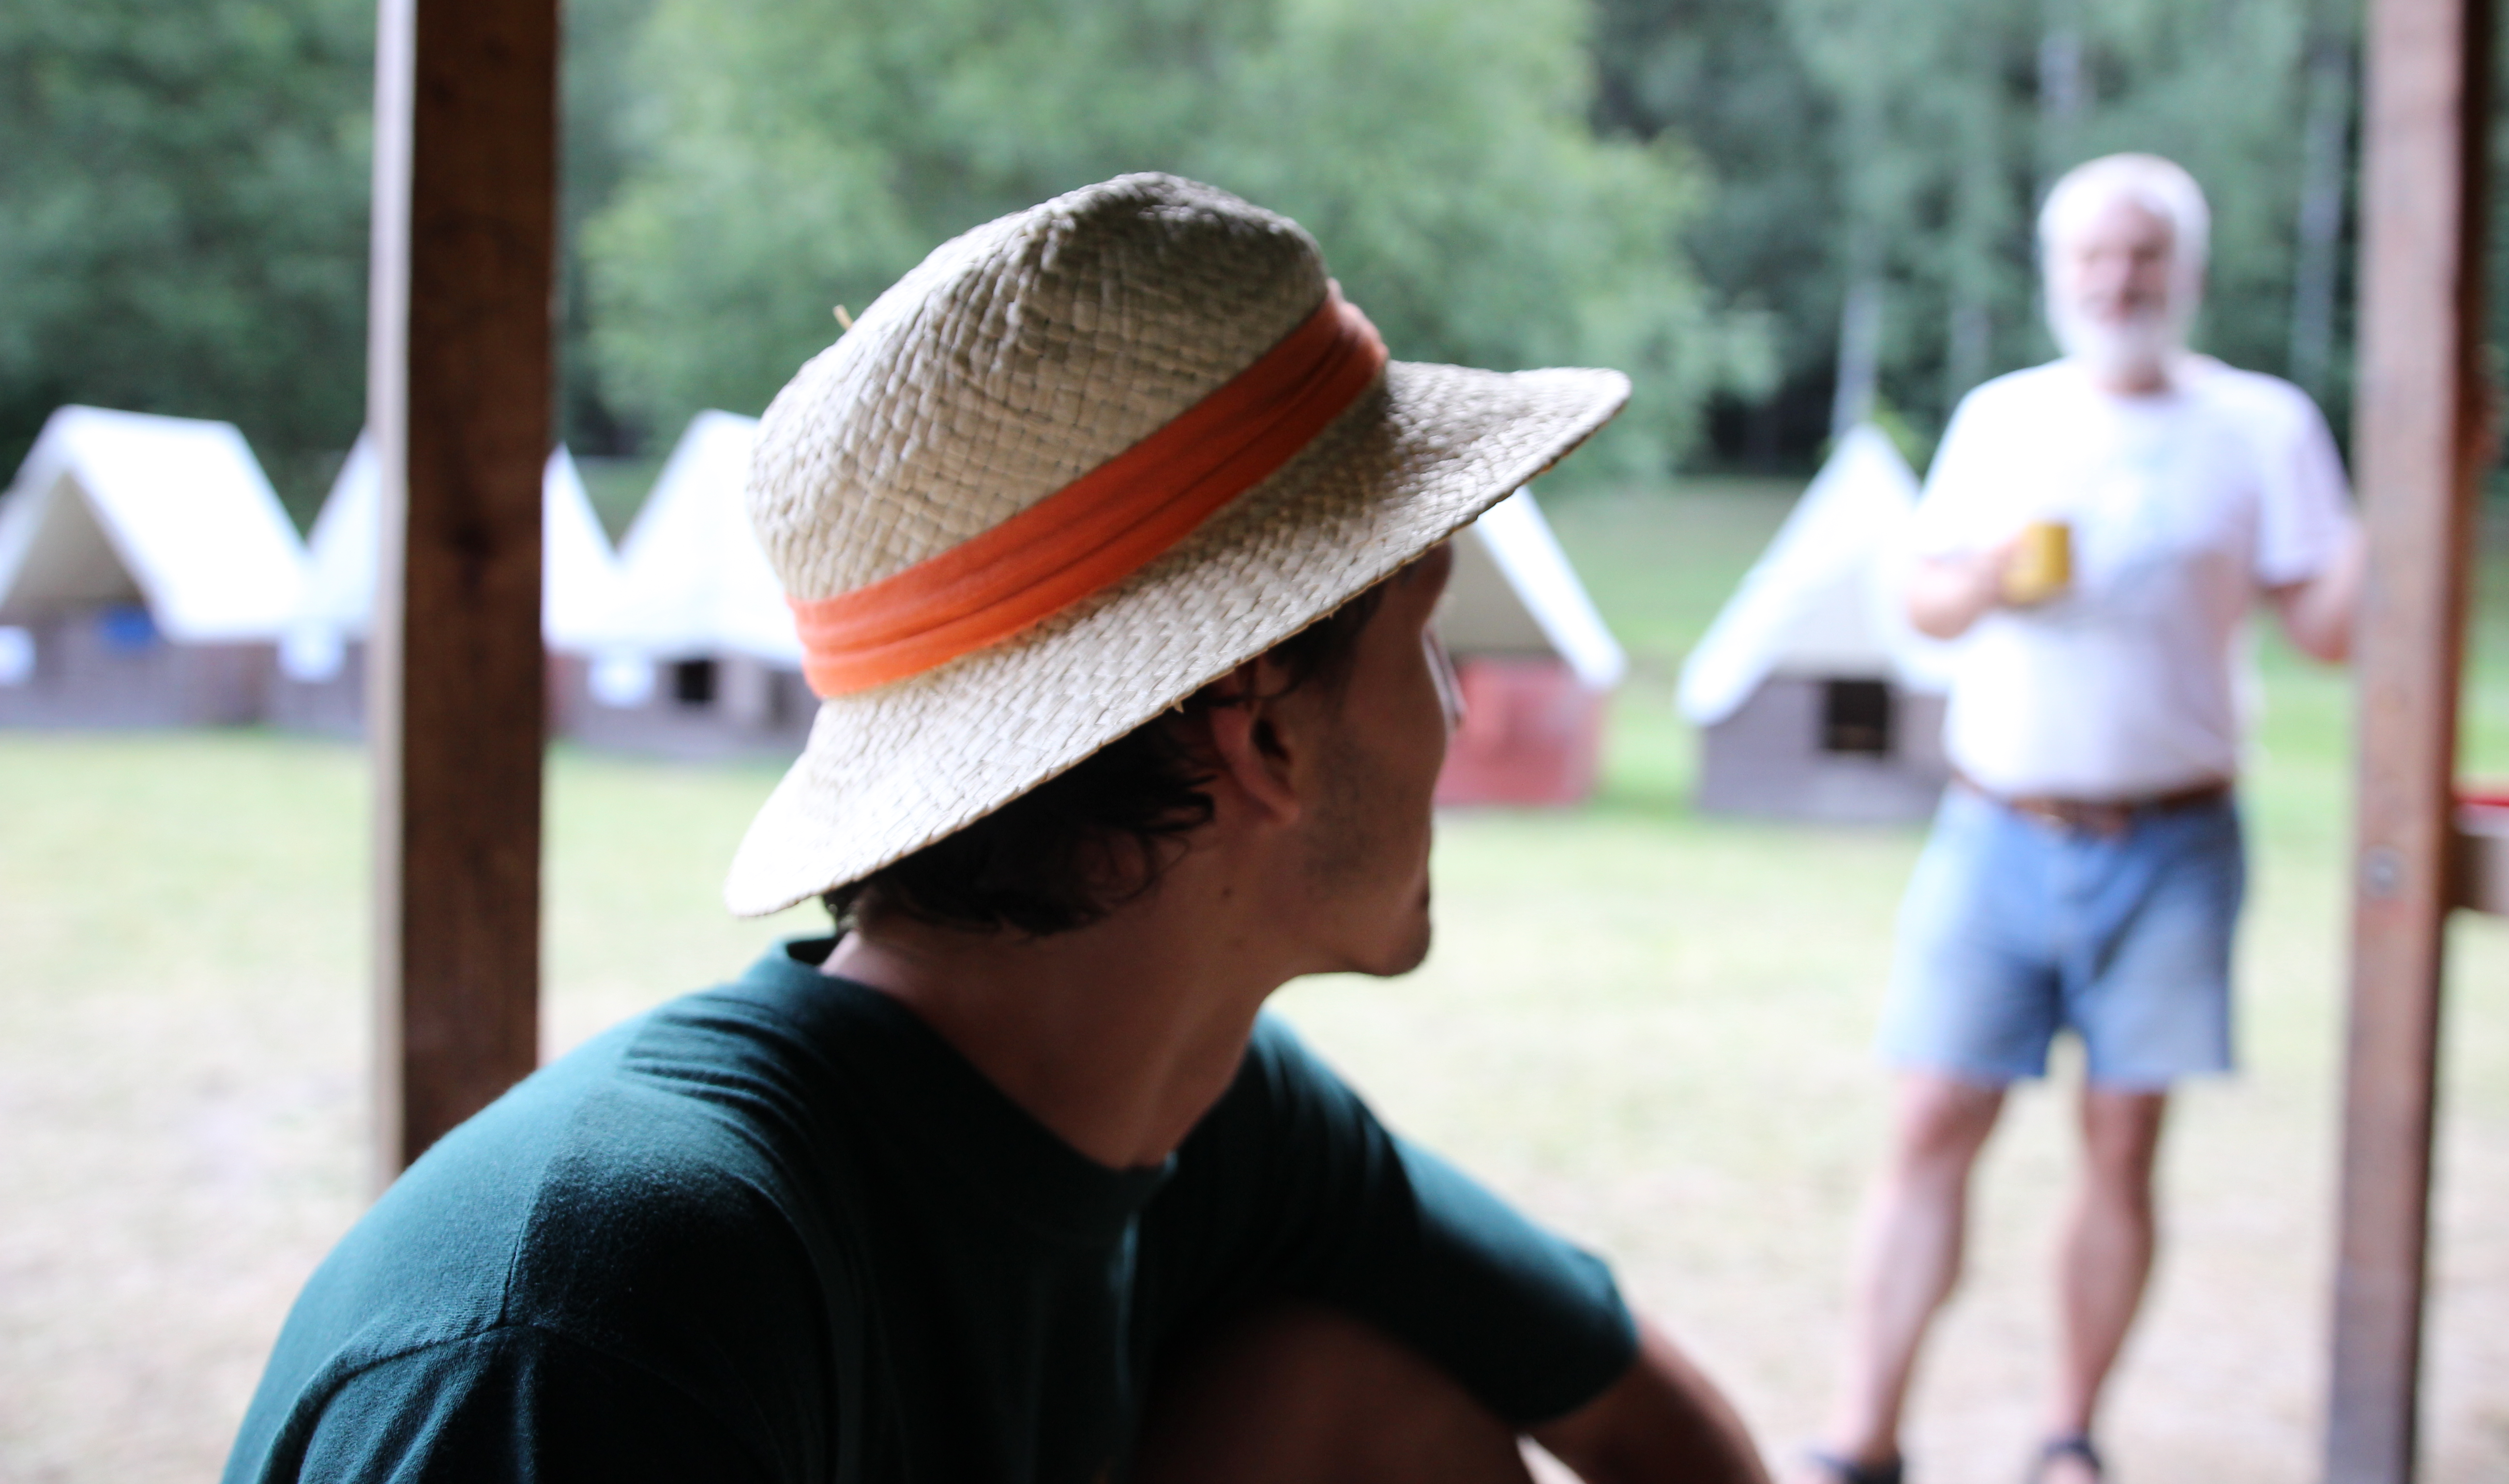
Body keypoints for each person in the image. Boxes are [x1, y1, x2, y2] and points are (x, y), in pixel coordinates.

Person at [224, 173, 1772, 1484]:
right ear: (1268, 734)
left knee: (1351, 1399)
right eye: (1427, 637)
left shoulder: (1218, 1121)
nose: (1458, 714)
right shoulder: (604, 1324)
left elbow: (1657, 1429)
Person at [1794, 154, 2361, 1484]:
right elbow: (1924, 609)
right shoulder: (2004, 419)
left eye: (2144, 256)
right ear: (2058, 277)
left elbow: (2330, 630)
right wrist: (1991, 578)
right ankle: (1862, 1437)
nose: (2119, 281)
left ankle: (2068, 1435)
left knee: (2123, 1143)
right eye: (2094, 258)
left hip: (2177, 842)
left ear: (2188, 273)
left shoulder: (2263, 425)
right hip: (1994, 827)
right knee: (1932, 1119)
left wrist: (2418, 494)